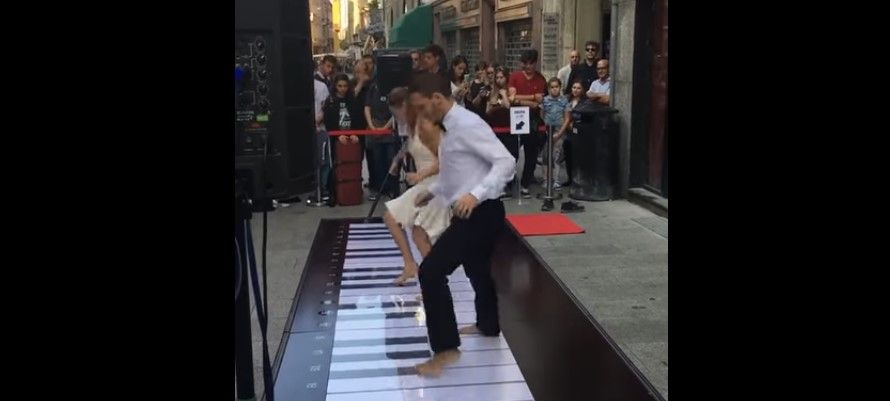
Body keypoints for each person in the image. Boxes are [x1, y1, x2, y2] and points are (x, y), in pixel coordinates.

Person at [407, 72, 516, 377]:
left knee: (431, 271)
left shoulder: (468, 124)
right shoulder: (448, 128)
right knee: (477, 269)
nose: (421, 115)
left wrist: (475, 194)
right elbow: (457, 173)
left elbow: (506, 162)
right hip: (469, 211)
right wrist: (433, 191)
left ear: (437, 99)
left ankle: (446, 350)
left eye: (422, 107)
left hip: (482, 213)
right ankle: (488, 325)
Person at [382, 87, 453, 285]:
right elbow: (410, 145)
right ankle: (410, 265)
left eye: (397, 113)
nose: (397, 119)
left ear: (405, 107)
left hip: (437, 184)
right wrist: (398, 159)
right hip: (424, 183)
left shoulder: (430, 125)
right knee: (392, 218)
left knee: (420, 235)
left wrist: (420, 174)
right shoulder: (414, 126)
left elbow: (445, 160)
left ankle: (433, 280)